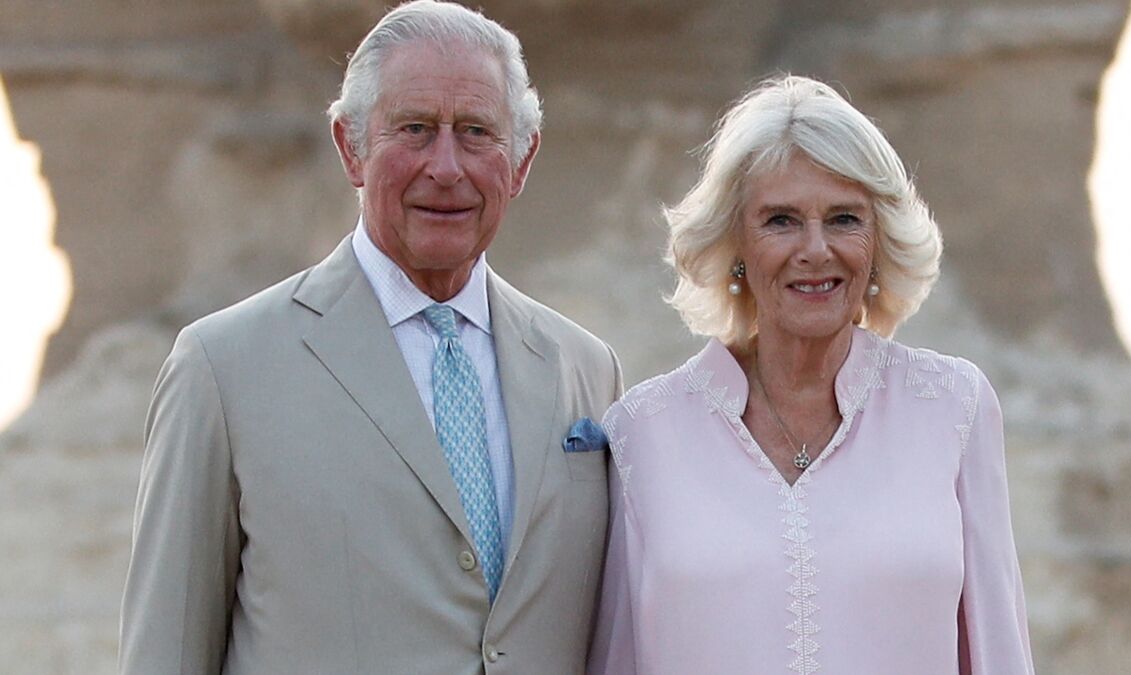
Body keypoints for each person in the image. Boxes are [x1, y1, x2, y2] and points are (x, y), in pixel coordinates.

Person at [119, 2, 622, 672]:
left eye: (476, 132)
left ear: (522, 160)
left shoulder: (587, 370)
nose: (446, 166)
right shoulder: (222, 368)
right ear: (350, 147)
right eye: (414, 129)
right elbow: (166, 652)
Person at [588, 75, 1034, 674]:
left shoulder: (955, 407)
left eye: (845, 219)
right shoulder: (643, 431)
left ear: (879, 243)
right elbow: (616, 661)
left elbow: (998, 654)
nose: (816, 250)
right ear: (735, 243)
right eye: (781, 220)